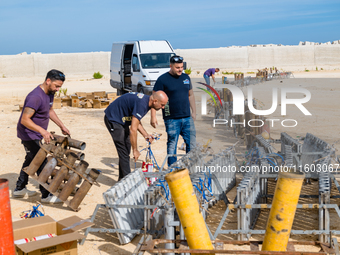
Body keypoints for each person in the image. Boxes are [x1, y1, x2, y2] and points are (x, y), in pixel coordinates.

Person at [13, 69, 71, 204]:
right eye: (56, 86)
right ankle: (46, 196)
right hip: (29, 134)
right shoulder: (35, 97)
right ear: (48, 81)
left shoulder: (50, 93)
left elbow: (49, 111)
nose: (57, 89)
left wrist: (61, 126)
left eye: (60, 87)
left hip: (36, 133)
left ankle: (19, 189)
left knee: (30, 160)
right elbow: (25, 120)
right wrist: (42, 131)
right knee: (42, 163)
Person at [104, 91, 168, 180]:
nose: (163, 107)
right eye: (162, 104)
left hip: (122, 120)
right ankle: (127, 181)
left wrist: (146, 135)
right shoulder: (142, 104)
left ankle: (122, 179)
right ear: (155, 101)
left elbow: (136, 122)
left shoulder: (146, 103)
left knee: (126, 148)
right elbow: (133, 130)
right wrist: (135, 150)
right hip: (113, 119)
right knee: (123, 151)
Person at [151, 55, 196, 167]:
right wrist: (153, 116)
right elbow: (153, 99)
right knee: (172, 144)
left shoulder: (186, 78)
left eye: (181, 67)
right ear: (171, 66)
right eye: (177, 67)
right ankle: (172, 168)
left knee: (192, 143)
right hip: (171, 118)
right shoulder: (162, 79)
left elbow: (190, 95)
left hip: (186, 117)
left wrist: (194, 111)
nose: (180, 69)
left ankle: (191, 167)